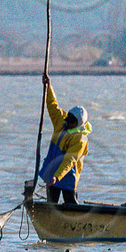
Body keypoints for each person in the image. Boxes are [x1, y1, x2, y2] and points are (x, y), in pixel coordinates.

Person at [38, 73, 90, 204]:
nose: (68, 123)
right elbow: (52, 105)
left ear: (78, 123)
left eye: (72, 121)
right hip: (53, 171)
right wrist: (48, 86)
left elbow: (70, 160)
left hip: (68, 175)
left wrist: (57, 176)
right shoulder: (62, 121)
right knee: (51, 203)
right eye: (68, 119)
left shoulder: (80, 138)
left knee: (70, 203)